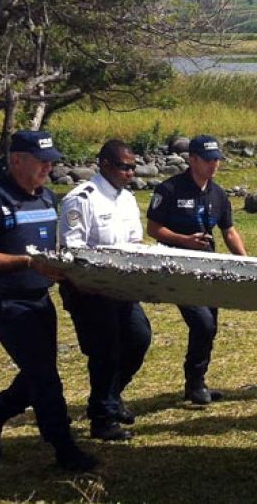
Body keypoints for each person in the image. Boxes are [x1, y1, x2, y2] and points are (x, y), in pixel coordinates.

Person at [0, 130, 96, 471]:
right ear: (16, 160)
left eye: (51, 162)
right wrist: (24, 262)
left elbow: (52, 249)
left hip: (39, 297)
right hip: (6, 301)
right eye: (41, 162)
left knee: (37, 373)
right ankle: (63, 447)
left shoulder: (47, 198)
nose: (47, 169)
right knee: (45, 377)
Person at [58, 140, 153, 441]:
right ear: (105, 164)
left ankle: (110, 398)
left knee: (139, 339)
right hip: (90, 290)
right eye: (125, 167)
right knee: (105, 352)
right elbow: (72, 251)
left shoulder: (126, 199)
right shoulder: (82, 199)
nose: (130, 173)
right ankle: (102, 418)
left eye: (133, 167)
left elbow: (134, 243)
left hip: (122, 288)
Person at [146, 135, 247, 405]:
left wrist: (247, 261)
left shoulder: (218, 193)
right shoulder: (169, 189)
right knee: (201, 323)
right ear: (192, 160)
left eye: (217, 160)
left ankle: (196, 382)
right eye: (208, 160)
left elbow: (229, 231)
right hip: (177, 268)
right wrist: (184, 241)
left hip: (208, 267)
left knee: (210, 325)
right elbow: (153, 229)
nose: (214, 165)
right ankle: (195, 381)